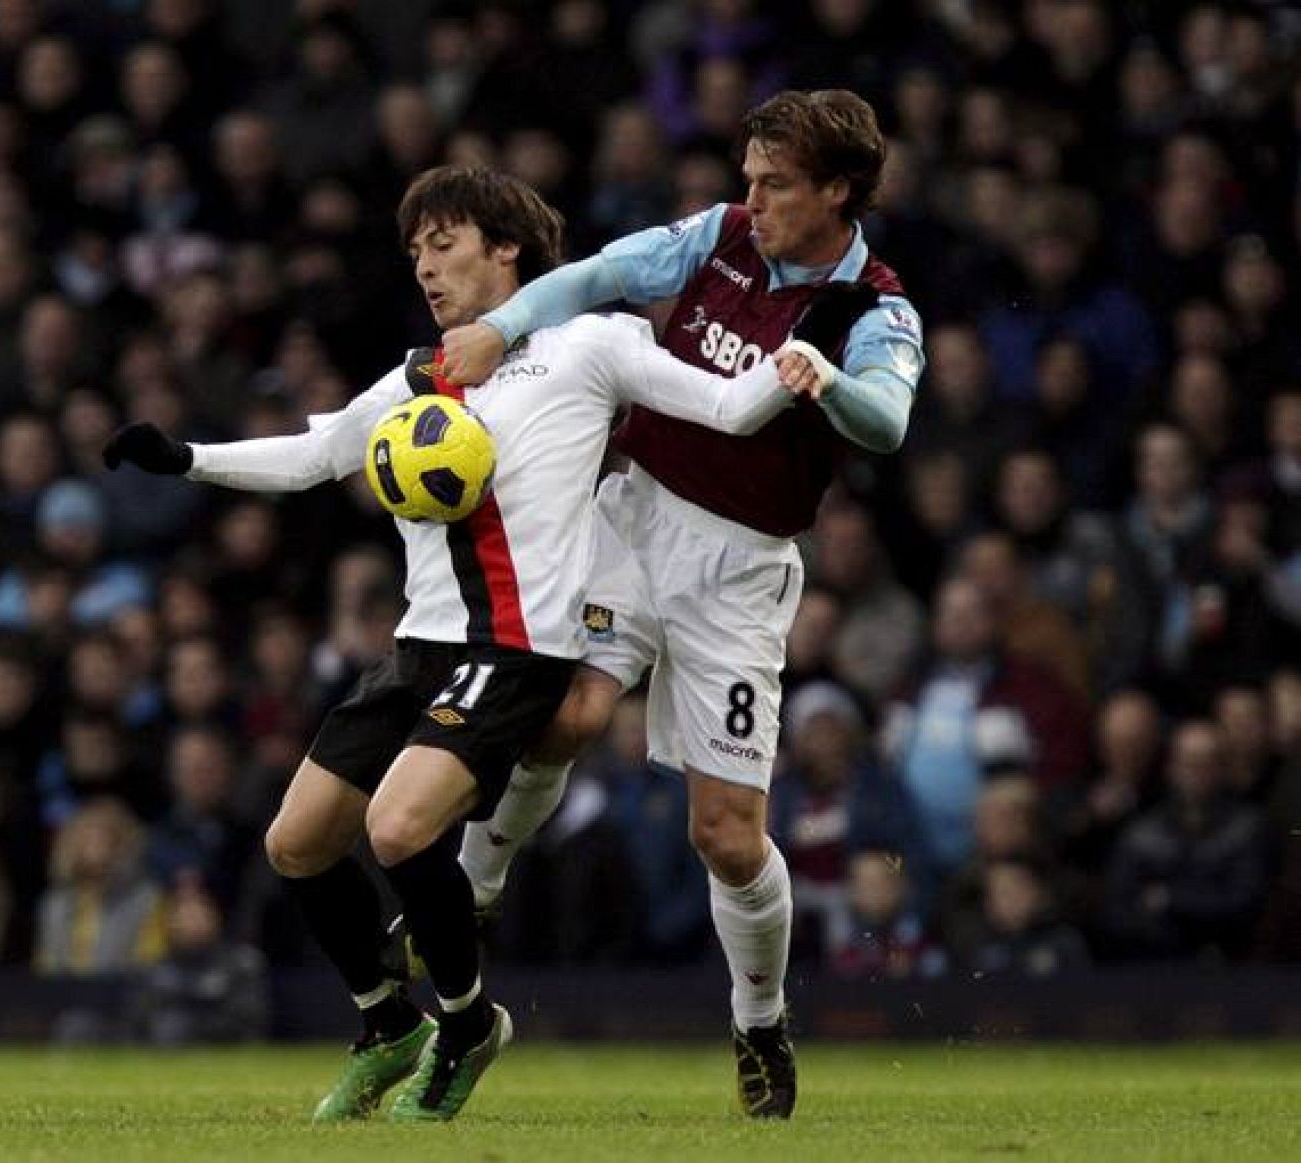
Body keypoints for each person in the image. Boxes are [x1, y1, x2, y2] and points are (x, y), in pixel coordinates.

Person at [102, 164, 816, 1123]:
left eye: (443, 245)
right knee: (297, 843)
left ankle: (470, 1025)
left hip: (518, 648)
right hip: (417, 642)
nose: (426, 269)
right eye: (414, 255)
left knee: (399, 829)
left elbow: (723, 408)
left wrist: (808, 368)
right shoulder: (419, 374)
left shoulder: (592, 345)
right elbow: (316, 453)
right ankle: (384, 1023)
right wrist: (187, 459)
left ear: (506, 246)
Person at [435, 89, 925, 1118]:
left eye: (775, 184)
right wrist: (506, 321)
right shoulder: (718, 237)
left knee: (726, 835)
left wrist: (825, 379)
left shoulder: (873, 308)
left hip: (739, 572)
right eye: (747, 176)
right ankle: (467, 895)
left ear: (837, 190)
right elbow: (606, 273)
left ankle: (758, 1018)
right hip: (634, 516)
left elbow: (884, 422)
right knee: (563, 711)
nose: (750, 199)